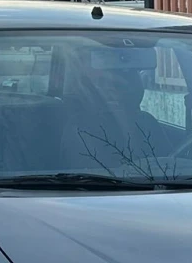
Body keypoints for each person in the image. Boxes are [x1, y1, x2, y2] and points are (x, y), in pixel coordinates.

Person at [57, 46, 177, 177]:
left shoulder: (148, 123)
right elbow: (91, 181)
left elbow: (171, 164)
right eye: (103, 84)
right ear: (90, 90)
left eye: (120, 85)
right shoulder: (80, 129)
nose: (112, 91)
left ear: (134, 87)